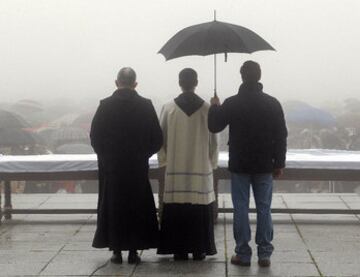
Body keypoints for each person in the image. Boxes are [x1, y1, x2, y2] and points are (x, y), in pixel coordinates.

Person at [208, 61, 288, 267]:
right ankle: (264, 254)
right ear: (259, 76)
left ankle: (243, 254)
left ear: (241, 76)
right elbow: (281, 135)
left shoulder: (232, 103)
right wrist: (279, 162)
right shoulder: (272, 103)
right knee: (264, 208)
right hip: (265, 164)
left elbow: (214, 126)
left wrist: (215, 107)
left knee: (241, 208)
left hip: (240, 163)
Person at [90, 67, 163, 264]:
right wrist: (142, 155)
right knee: (136, 207)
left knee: (115, 208)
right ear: (135, 84)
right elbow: (157, 139)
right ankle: (133, 250)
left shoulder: (105, 106)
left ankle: (116, 250)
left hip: (112, 168)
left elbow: (95, 138)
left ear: (116, 82)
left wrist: (107, 158)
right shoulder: (146, 106)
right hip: (137, 167)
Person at [157, 68, 218, 261]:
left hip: (176, 169)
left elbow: (161, 138)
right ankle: (199, 249)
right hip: (200, 168)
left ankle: (179, 249)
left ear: (179, 82)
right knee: (200, 207)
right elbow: (214, 141)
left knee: (177, 207)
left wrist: (165, 159)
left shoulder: (169, 108)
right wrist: (212, 161)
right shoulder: (207, 109)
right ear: (196, 82)